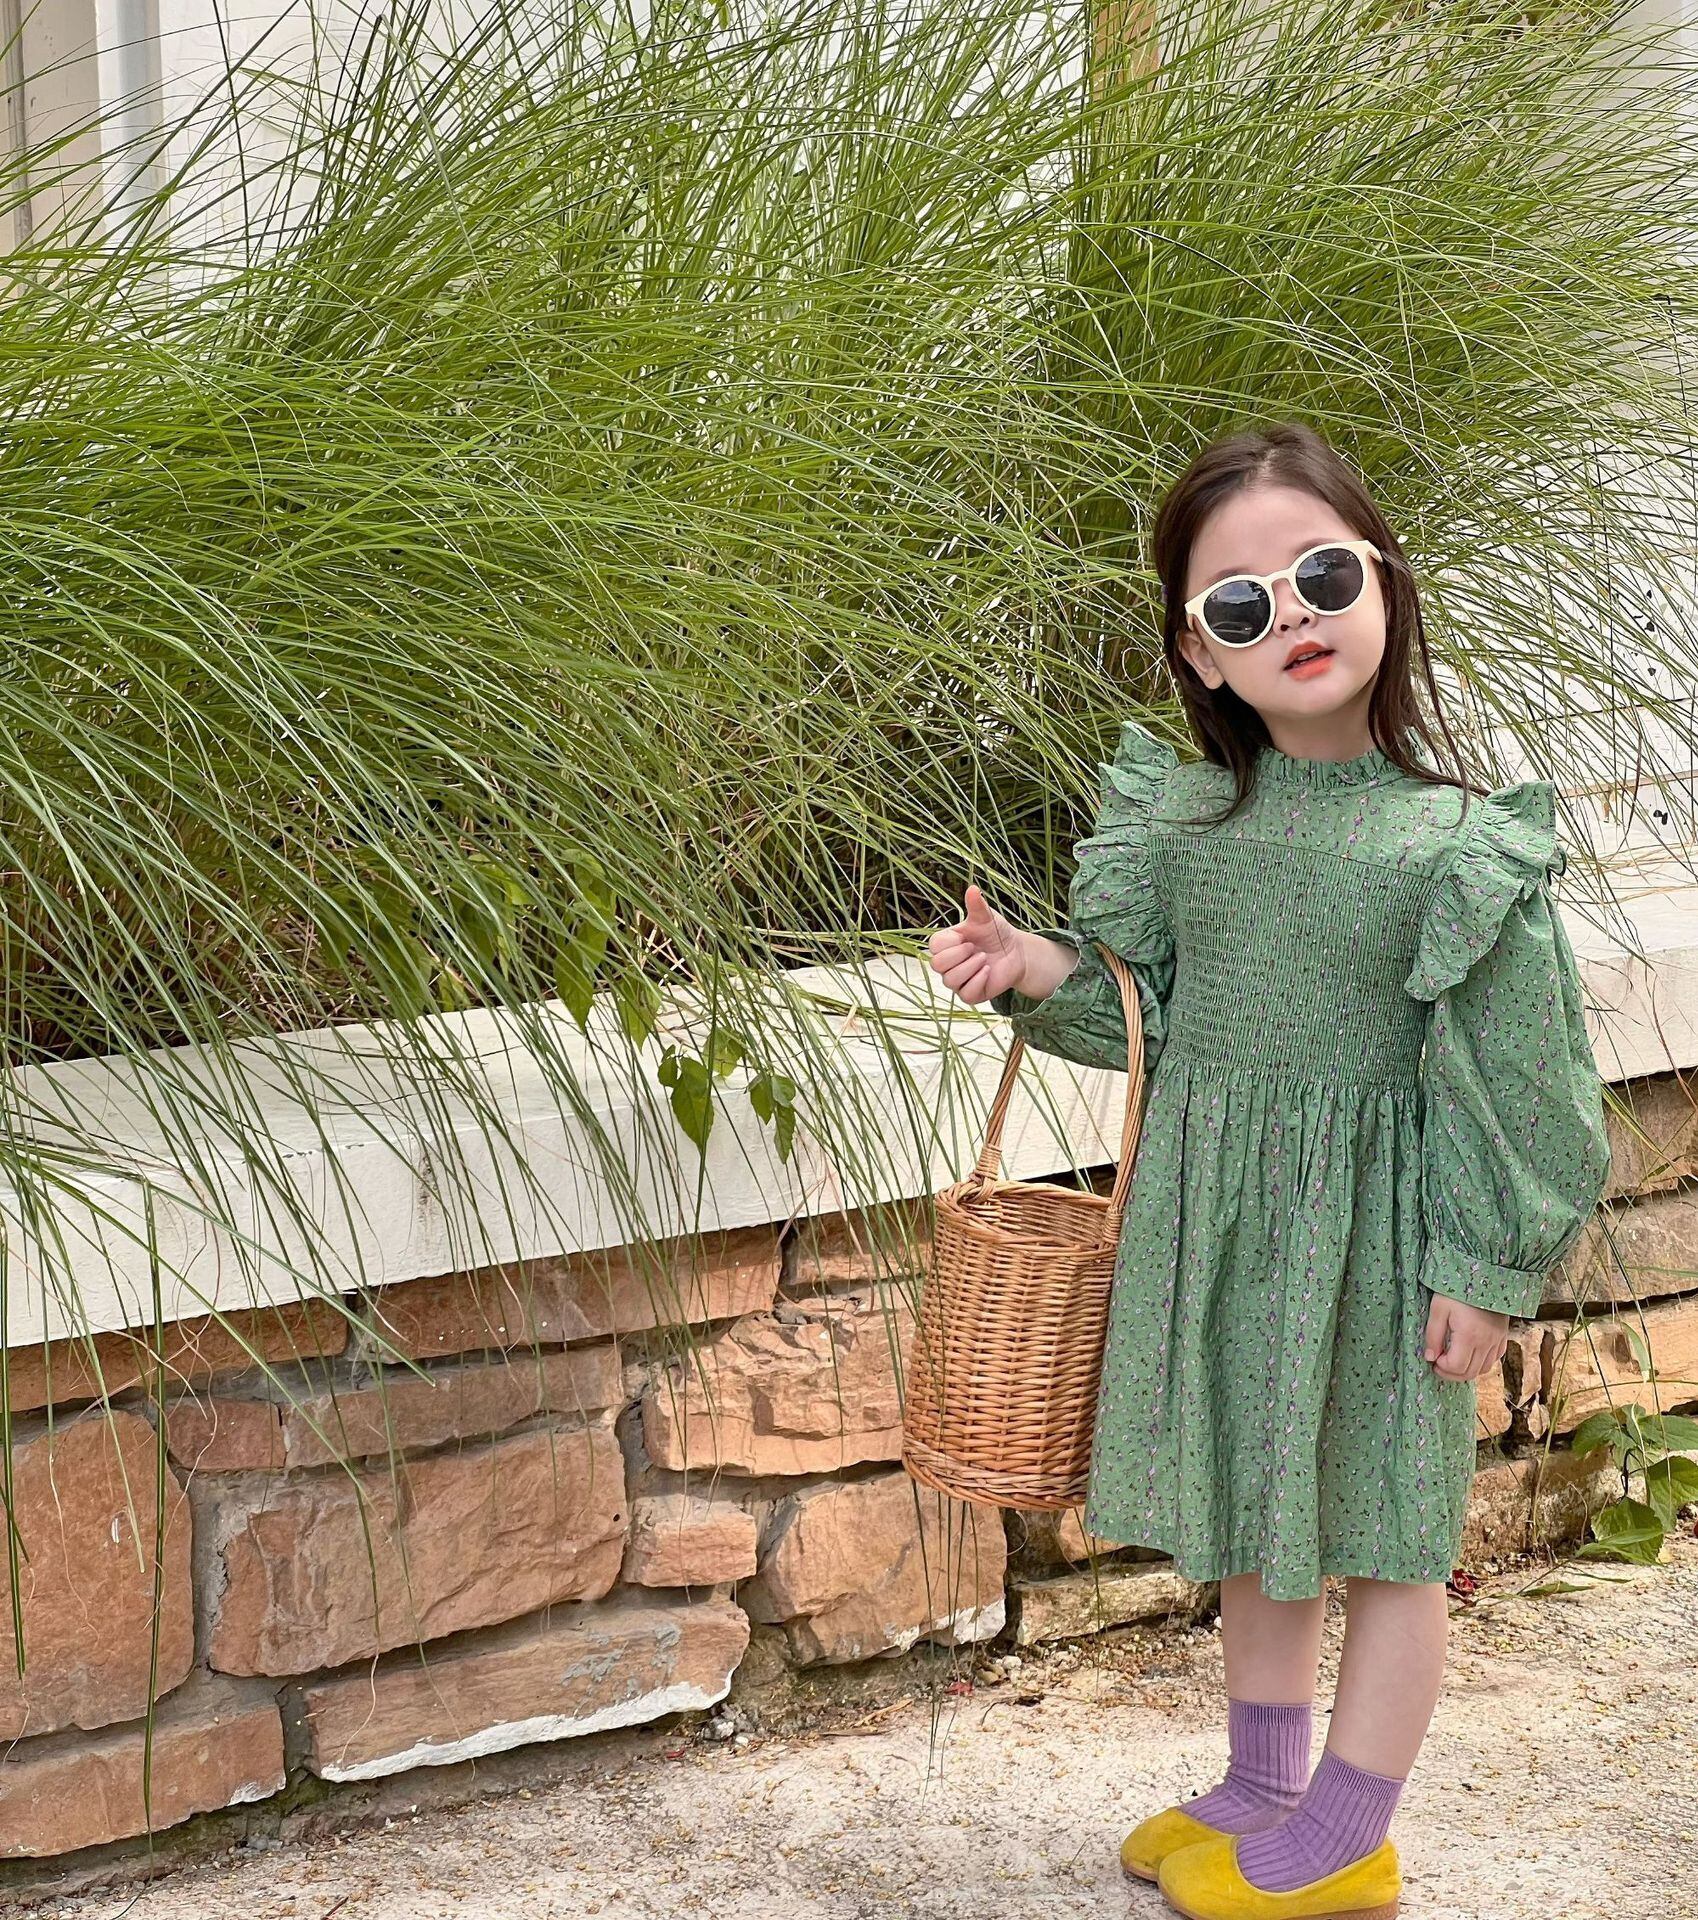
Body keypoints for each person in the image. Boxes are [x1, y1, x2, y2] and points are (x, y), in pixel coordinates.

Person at [926, 420, 1612, 1920]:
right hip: (1225, 1228)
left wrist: (1488, 1266)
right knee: (1257, 1507)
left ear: (1385, 583)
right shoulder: (1187, 828)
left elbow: (1524, 1079)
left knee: (1388, 1535)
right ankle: (1262, 1781)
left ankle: (1352, 1831)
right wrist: (1032, 967)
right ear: (1200, 654)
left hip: (1380, 1246)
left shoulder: (1453, 846)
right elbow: (1153, 1020)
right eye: (1241, 603)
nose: (1290, 616)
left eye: (1322, 577)